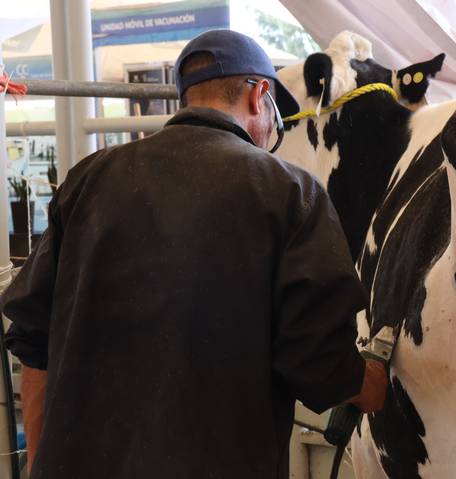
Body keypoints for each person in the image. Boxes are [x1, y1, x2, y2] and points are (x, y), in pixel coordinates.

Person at [2, 29, 387, 479]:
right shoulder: (289, 192)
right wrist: (377, 386)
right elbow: (319, 358)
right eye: (275, 120)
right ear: (259, 95)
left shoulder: (88, 180)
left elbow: (33, 339)